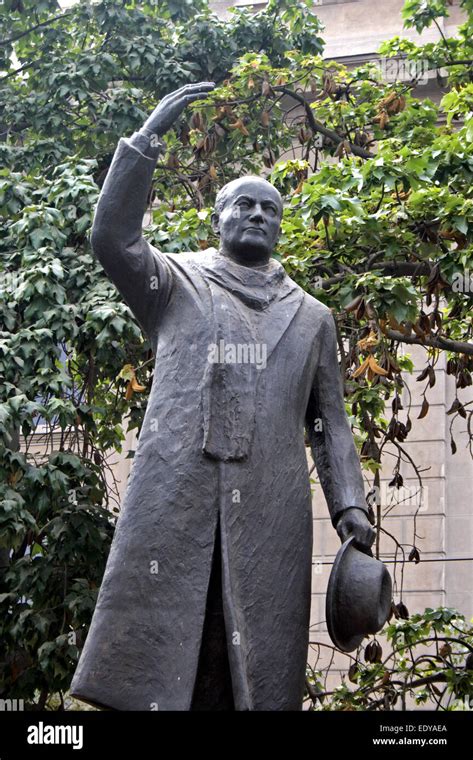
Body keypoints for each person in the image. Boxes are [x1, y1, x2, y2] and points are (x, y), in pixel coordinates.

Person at [70, 82, 375, 711]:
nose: (258, 215)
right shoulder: (175, 283)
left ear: (281, 225)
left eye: (270, 208)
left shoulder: (312, 317)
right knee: (167, 663)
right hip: (177, 501)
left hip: (270, 511)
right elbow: (113, 240)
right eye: (244, 205)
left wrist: (352, 507)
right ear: (219, 218)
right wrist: (145, 140)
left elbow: (332, 427)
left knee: (252, 676)